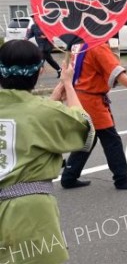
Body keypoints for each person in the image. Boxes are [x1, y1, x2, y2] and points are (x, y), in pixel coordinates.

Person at [0, 40, 94, 264]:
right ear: (41, 70)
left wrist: (50, 100)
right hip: (27, 210)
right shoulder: (45, 112)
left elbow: (23, 123)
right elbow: (85, 132)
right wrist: (69, 86)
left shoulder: (42, 110)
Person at [61, 42, 127, 190]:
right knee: (111, 140)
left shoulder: (78, 44)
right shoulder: (97, 45)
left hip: (80, 96)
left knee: (88, 139)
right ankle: (121, 179)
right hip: (92, 100)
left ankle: (69, 176)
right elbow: (114, 70)